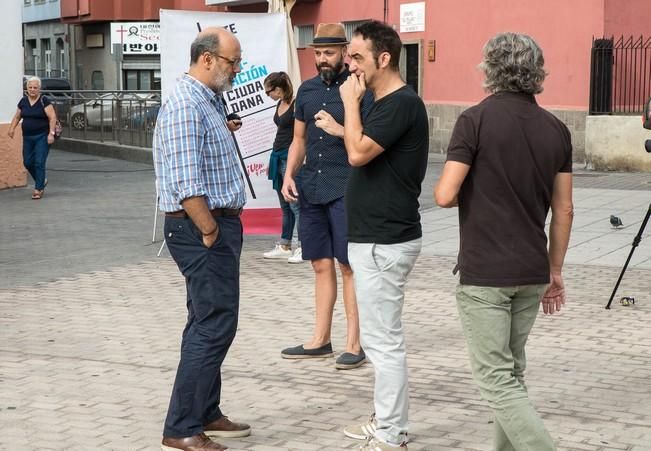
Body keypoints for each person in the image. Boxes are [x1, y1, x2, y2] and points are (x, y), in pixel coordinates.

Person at [434, 32, 574, 451]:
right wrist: (555, 270)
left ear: (489, 69)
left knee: (496, 379)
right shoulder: (557, 129)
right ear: (537, 71)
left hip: (486, 273)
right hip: (531, 270)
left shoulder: (473, 120)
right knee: (510, 375)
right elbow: (564, 210)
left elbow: (443, 195)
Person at [154, 27, 251, 451]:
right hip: (200, 227)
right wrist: (209, 229)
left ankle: (206, 410)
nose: (237, 69)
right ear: (207, 59)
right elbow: (185, 181)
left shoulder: (208, 99)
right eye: (233, 62)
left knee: (209, 321)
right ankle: (182, 426)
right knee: (212, 325)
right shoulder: (184, 103)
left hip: (216, 225)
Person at [340, 21, 429, 451]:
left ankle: (392, 433)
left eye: (357, 56)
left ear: (384, 57)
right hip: (374, 238)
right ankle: (386, 420)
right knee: (380, 339)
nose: (349, 65)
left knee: (382, 343)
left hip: (384, 240)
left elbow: (357, 154)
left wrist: (350, 105)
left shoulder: (399, 103)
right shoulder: (381, 101)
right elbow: (363, 146)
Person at [280, 23, 371, 370]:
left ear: (344, 52)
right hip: (311, 187)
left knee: (348, 265)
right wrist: (289, 174)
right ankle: (320, 340)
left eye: (328, 53)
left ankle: (354, 342)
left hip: (347, 188)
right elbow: (299, 140)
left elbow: (367, 137)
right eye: (317, 53)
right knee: (320, 264)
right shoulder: (306, 90)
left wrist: (338, 128)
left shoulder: (358, 88)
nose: (322, 59)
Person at [262, 71, 304, 264]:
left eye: (268, 91)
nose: (267, 95)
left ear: (278, 89)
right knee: (285, 206)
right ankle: (285, 245)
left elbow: (301, 135)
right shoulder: (280, 104)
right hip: (277, 155)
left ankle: (303, 246)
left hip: (289, 157)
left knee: (295, 204)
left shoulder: (296, 104)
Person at [7, 76, 57, 200]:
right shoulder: (23, 101)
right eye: (30, 87)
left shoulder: (44, 100)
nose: (32, 90)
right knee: (27, 162)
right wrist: (12, 128)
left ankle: (38, 189)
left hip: (42, 136)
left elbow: (52, 117)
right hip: (28, 137)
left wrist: (51, 134)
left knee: (39, 162)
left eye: (35, 87)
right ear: (27, 88)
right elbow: (17, 116)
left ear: (39, 88)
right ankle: (42, 180)